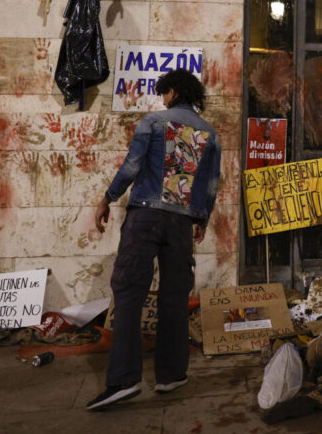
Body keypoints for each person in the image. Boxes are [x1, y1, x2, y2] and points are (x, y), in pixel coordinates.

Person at [87, 69, 222, 410]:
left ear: (172, 91)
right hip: (181, 224)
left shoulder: (153, 121)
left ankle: (123, 381)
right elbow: (208, 185)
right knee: (175, 296)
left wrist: (107, 197)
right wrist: (202, 218)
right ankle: (171, 375)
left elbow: (132, 165)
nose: (162, 100)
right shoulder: (210, 134)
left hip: (145, 216)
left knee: (129, 292)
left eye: (164, 93)